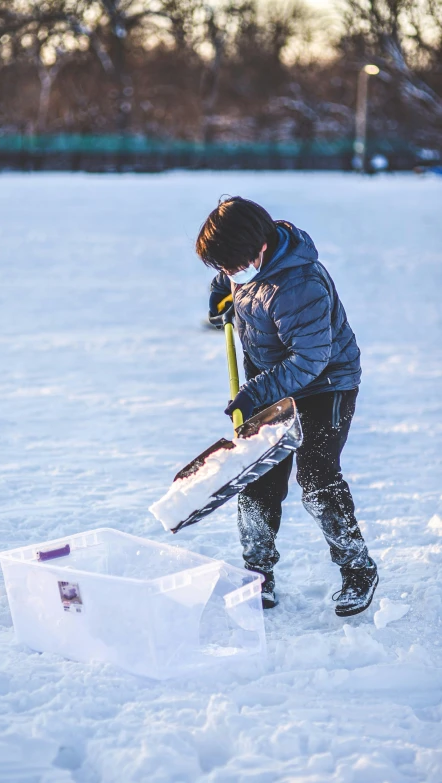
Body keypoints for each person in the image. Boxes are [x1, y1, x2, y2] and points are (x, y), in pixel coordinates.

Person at [196, 196, 378, 617]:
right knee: (256, 478)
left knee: (317, 476)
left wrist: (255, 392)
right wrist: (221, 292)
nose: (232, 272)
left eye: (233, 265)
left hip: (325, 384)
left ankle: (357, 568)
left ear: (260, 246)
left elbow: (309, 361)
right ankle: (257, 575)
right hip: (272, 382)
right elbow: (236, 281)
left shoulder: (301, 286)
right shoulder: (248, 260)